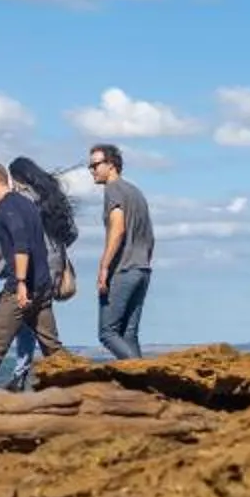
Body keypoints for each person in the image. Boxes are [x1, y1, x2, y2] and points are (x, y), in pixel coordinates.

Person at [0, 158, 66, 397]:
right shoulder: (27, 204)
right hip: (41, 289)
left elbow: (22, 245)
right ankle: (80, 386)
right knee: (52, 348)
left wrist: (21, 284)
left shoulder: (8, 208)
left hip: (20, 292)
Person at [87, 143, 157, 359]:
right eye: (90, 166)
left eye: (96, 165)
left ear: (111, 165)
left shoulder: (113, 189)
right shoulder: (136, 192)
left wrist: (104, 267)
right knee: (128, 335)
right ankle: (143, 388)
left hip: (124, 270)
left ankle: (146, 376)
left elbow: (117, 229)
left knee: (107, 333)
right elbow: (150, 237)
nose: (92, 170)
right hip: (142, 270)